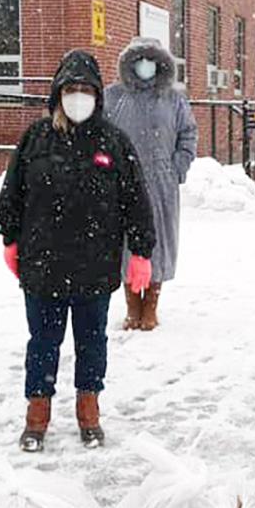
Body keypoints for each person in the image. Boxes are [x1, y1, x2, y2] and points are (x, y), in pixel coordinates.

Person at [0, 50, 156, 453]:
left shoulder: (113, 142)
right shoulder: (36, 139)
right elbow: (12, 193)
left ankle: (89, 411)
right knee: (42, 342)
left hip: (94, 267)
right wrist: (10, 238)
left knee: (91, 342)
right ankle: (37, 414)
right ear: (58, 94)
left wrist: (141, 251)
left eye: (86, 89)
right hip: (43, 266)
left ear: (97, 95)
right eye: (71, 89)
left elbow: (136, 201)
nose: (78, 96)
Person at [104, 37, 198, 331]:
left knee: (159, 243)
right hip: (122, 184)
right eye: (139, 60)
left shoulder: (174, 99)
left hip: (161, 185)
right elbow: (100, 136)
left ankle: (151, 305)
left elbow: (188, 134)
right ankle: (132, 306)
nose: (145, 65)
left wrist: (177, 167)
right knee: (126, 243)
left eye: (150, 60)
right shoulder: (113, 97)